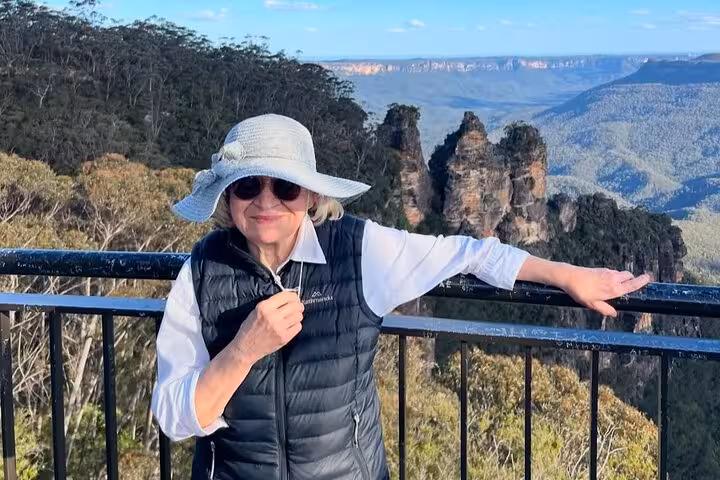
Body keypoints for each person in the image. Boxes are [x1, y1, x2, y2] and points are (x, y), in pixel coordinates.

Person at [151, 113, 650, 480]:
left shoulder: (360, 250)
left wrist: (565, 274)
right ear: (227, 196)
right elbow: (174, 418)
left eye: (284, 186)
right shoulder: (202, 273)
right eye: (246, 187)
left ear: (311, 195)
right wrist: (243, 350)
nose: (265, 201)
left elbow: (468, 253)